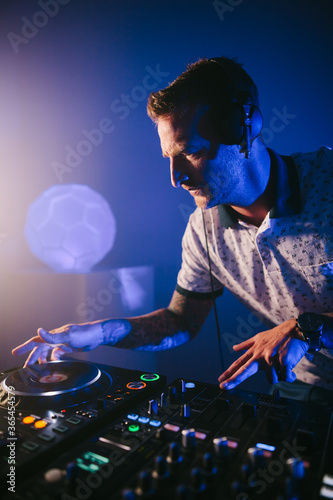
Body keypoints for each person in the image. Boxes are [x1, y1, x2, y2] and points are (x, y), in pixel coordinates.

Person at [12, 56, 333, 403]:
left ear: (242, 130)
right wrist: (103, 331)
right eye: (169, 158)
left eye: (189, 152)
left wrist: (307, 328)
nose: (176, 178)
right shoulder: (203, 230)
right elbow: (180, 322)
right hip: (305, 386)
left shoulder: (328, 179)